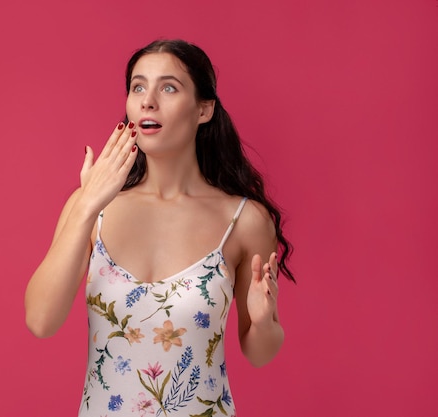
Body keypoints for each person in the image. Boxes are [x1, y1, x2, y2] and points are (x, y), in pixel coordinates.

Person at [25, 39, 294, 417]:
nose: (148, 101)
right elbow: (40, 322)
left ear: (204, 109)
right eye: (138, 87)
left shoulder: (245, 221)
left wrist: (265, 322)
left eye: (168, 87)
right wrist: (87, 204)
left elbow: (260, 352)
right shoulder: (92, 208)